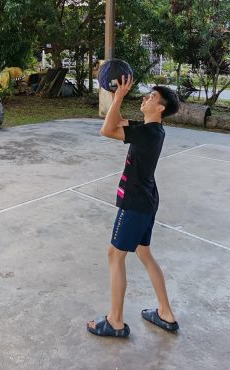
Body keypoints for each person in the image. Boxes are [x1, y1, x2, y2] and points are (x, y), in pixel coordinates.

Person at [87, 77, 180, 338]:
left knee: (115, 256)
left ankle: (115, 321)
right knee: (144, 253)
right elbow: (114, 123)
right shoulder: (151, 129)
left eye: (151, 97)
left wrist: (117, 98)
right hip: (147, 200)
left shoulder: (147, 133)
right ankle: (166, 313)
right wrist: (118, 98)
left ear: (160, 108)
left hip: (136, 202)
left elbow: (106, 131)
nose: (145, 99)